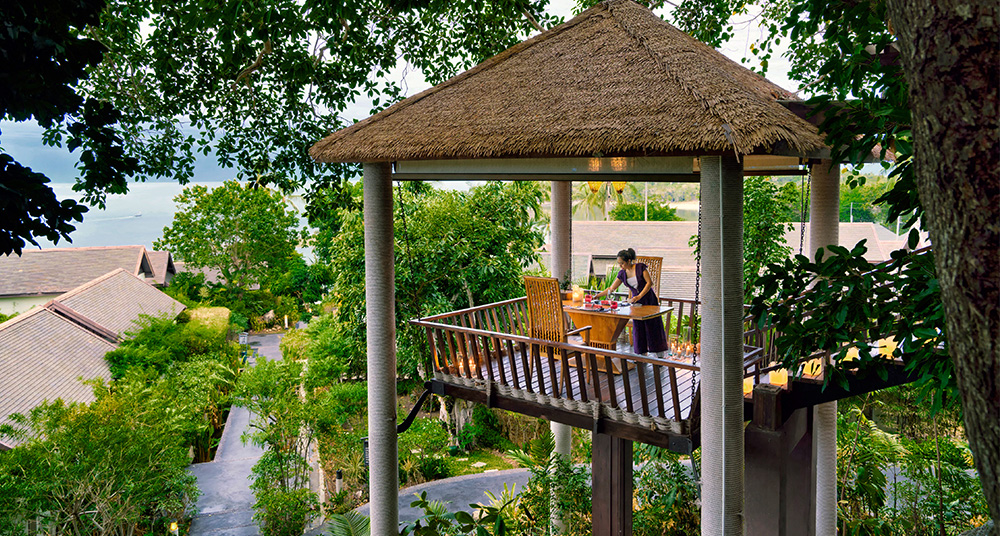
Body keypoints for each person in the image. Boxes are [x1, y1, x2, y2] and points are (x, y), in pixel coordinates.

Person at [594, 248, 668, 355]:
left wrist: (639, 296)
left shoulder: (640, 268)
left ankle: (659, 353)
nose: (620, 266)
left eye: (622, 263)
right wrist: (598, 296)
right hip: (636, 303)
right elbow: (611, 288)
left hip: (649, 299)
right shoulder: (622, 274)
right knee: (638, 326)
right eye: (619, 263)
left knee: (653, 325)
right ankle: (641, 353)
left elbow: (649, 283)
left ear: (629, 261)